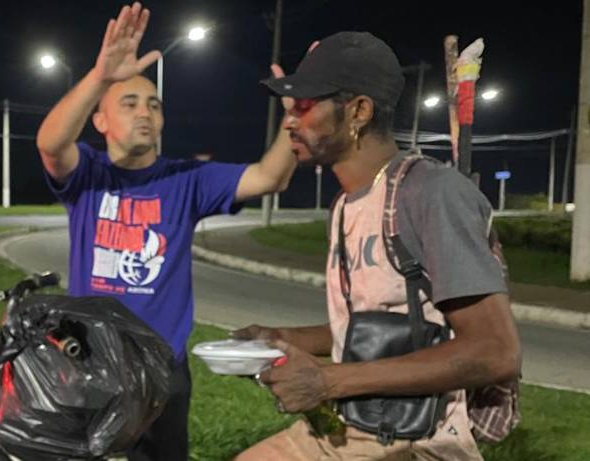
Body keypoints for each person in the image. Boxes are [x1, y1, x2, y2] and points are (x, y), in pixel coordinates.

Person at [233, 31, 521, 460]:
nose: (290, 121)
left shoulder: (431, 192)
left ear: (359, 111)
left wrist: (327, 381)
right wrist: (281, 337)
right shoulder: (347, 204)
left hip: (423, 438)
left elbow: (495, 351)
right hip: (354, 422)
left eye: (306, 107)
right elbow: (384, 327)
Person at [33, 3, 297, 460]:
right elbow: (50, 144)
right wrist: (100, 76)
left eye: (153, 105)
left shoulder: (186, 180)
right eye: (129, 103)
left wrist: (296, 120)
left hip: (162, 368)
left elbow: (270, 177)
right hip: (88, 362)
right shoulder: (89, 175)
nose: (144, 113)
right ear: (101, 121)